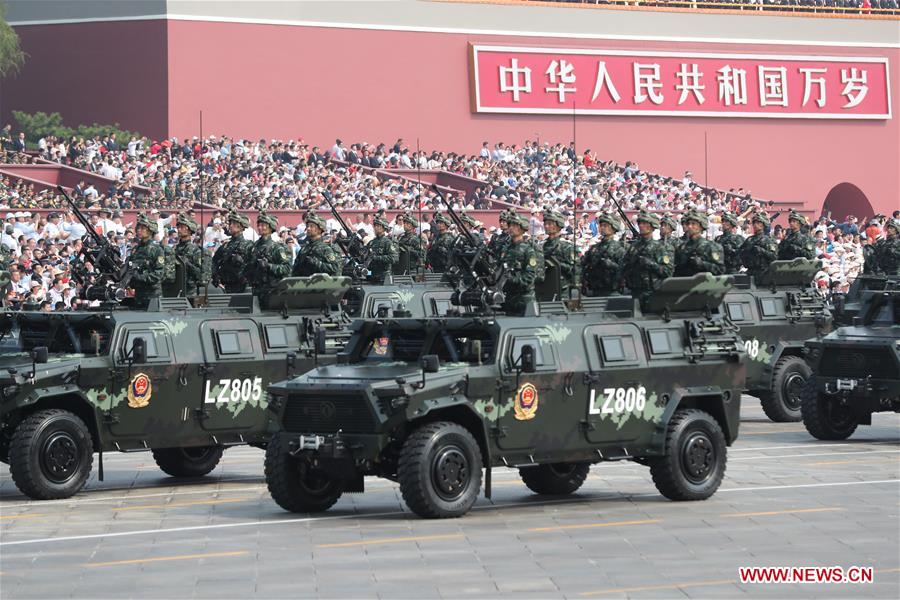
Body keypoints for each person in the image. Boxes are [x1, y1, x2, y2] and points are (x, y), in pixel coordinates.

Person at [621, 211, 674, 307]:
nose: (641, 226)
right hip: (635, 292)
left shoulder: (660, 248)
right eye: (640, 223)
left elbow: (668, 272)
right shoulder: (633, 247)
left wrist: (651, 264)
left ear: (652, 226)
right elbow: (623, 267)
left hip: (653, 293)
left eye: (645, 223)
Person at [244, 211, 292, 306]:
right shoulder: (254, 247)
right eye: (259, 225)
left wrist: (269, 266)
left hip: (272, 291)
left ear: (270, 228)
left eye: (263, 225)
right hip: (256, 290)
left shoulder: (277, 248)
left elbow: (287, 268)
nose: (260, 227)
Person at [500, 213, 538, 316]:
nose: (511, 228)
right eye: (510, 225)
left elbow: (529, 277)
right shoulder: (506, 249)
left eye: (515, 225)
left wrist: (512, 279)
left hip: (524, 300)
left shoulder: (528, 250)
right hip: (509, 298)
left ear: (522, 227)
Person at [581, 213, 626, 297]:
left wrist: (612, 265)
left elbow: (625, 270)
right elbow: (582, 265)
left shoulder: (620, 248)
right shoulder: (594, 248)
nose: (602, 228)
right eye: (601, 225)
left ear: (613, 227)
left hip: (613, 291)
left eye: (605, 225)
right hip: (595, 290)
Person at [127, 214, 166, 309]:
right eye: (138, 228)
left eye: (143, 228)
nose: (139, 230)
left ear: (150, 230)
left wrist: (140, 277)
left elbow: (159, 273)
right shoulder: (136, 249)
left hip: (153, 295)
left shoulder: (157, 249)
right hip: (139, 293)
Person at [674, 210, 725, 277]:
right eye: (688, 223)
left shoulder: (711, 246)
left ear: (701, 226)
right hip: (684, 282)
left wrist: (703, 264)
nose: (689, 226)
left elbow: (720, 270)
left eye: (693, 224)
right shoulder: (682, 247)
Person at [212, 211, 254, 293]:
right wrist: (215, 275)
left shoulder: (249, 245)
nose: (230, 226)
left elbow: (254, 266)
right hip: (226, 287)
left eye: (234, 224)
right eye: (230, 223)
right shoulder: (226, 245)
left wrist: (242, 262)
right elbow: (214, 261)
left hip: (243, 287)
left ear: (241, 226)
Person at [291, 212, 342, 277]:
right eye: (307, 226)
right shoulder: (304, 249)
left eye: (311, 226)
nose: (308, 228)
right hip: (303, 282)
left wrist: (316, 263)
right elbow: (295, 269)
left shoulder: (326, 249)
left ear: (320, 230)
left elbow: (334, 268)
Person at [541, 209, 577, 298]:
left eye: (550, 224)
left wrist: (558, 265)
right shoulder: (542, 246)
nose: (546, 226)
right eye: (545, 224)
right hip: (545, 288)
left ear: (558, 225)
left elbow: (576, 270)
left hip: (563, 291)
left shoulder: (567, 247)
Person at [174, 214, 211, 296]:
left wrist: (187, 264)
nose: (179, 229)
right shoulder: (175, 249)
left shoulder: (196, 251)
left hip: (190, 291)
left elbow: (202, 276)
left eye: (182, 227)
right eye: (178, 227)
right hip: (175, 289)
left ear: (190, 230)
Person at [740, 212, 779, 280]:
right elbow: (741, 253)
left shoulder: (768, 240)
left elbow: (774, 257)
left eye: (758, 223)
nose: (755, 225)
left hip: (764, 272)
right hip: (750, 271)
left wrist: (762, 251)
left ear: (763, 224)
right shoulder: (749, 240)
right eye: (754, 223)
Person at [366, 216, 399, 283]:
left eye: (378, 226)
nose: (376, 228)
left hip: (384, 276)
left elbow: (394, 258)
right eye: (375, 226)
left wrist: (377, 258)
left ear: (384, 228)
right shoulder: (372, 242)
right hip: (372, 274)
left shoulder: (388, 242)